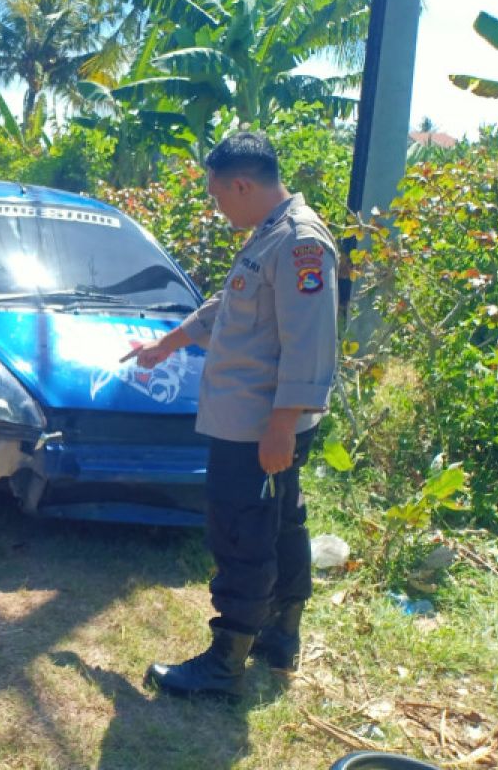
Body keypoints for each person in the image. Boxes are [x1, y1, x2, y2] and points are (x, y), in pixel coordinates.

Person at [122, 131, 338, 699]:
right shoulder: (270, 236)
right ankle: (278, 638)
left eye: (219, 197)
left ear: (242, 184)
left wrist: (280, 426)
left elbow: (310, 341)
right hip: (257, 422)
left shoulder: (299, 243)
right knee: (282, 524)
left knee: (242, 533)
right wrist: (167, 343)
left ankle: (225, 662)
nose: (219, 210)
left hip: (257, 426)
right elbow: (232, 302)